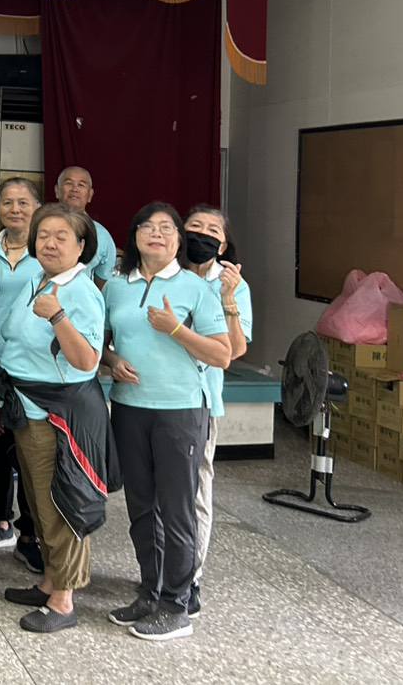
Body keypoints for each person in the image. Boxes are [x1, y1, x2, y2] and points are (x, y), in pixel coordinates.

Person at [102, 203, 229, 642]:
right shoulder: (116, 287)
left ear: (179, 239)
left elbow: (222, 354)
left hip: (180, 410)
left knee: (176, 508)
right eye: (147, 226)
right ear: (134, 235)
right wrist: (112, 361)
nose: (156, 233)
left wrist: (176, 328)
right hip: (129, 406)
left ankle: (177, 603)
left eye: (166, 228)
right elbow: (100, 344)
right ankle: (149, 591)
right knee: (141, 506)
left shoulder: (196, 288)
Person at [0, 203, 108, 633]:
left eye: (62, 237)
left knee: (61, 504)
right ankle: (49, 581)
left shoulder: (80, 291)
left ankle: (64, 599)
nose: (50, 243)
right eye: (43, 235)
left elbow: (87, 361)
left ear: (81, 245)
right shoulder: (38, 280)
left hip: (57, 414)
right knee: (39, 502)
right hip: (27, 407)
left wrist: (58, 317)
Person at [181, 205, 251, 618]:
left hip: (201, 400)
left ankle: (189, 578)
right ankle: (160, 570)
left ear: (223, 246)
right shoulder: (165, 272)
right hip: (152, 398)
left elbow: (236, 350)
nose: (202, 235)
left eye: (213, 232)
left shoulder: (232, 285)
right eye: (194, 227)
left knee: (195, 493)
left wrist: (227, 300)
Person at [0, 177, 44, 570]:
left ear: (37, 207)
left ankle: (31, 532)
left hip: (30, 363)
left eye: (23, 202)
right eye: (8, 203)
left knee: (27, 450)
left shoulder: (47, 252)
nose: (15, 209)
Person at [57, 166, 117, 283]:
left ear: (90, 195)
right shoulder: (40, 227)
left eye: (81, 185)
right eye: (68, 183)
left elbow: (103, 285)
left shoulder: (101, 235)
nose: (75, 189)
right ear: (57, 191)